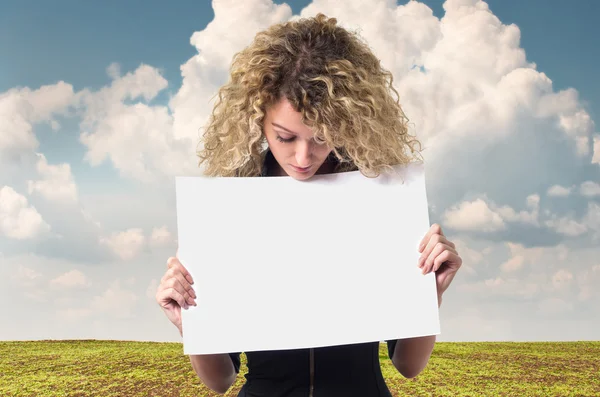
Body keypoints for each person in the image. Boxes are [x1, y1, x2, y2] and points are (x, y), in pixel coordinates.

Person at [156, 13, 463, 397]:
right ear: (258, 122)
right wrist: (191, 323)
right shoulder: (230, 206)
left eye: (321, 137)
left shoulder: (378, 196)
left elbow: (408, 365)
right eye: (285, 137)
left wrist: (430, 292)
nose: (303, 156)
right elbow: (220, 380)